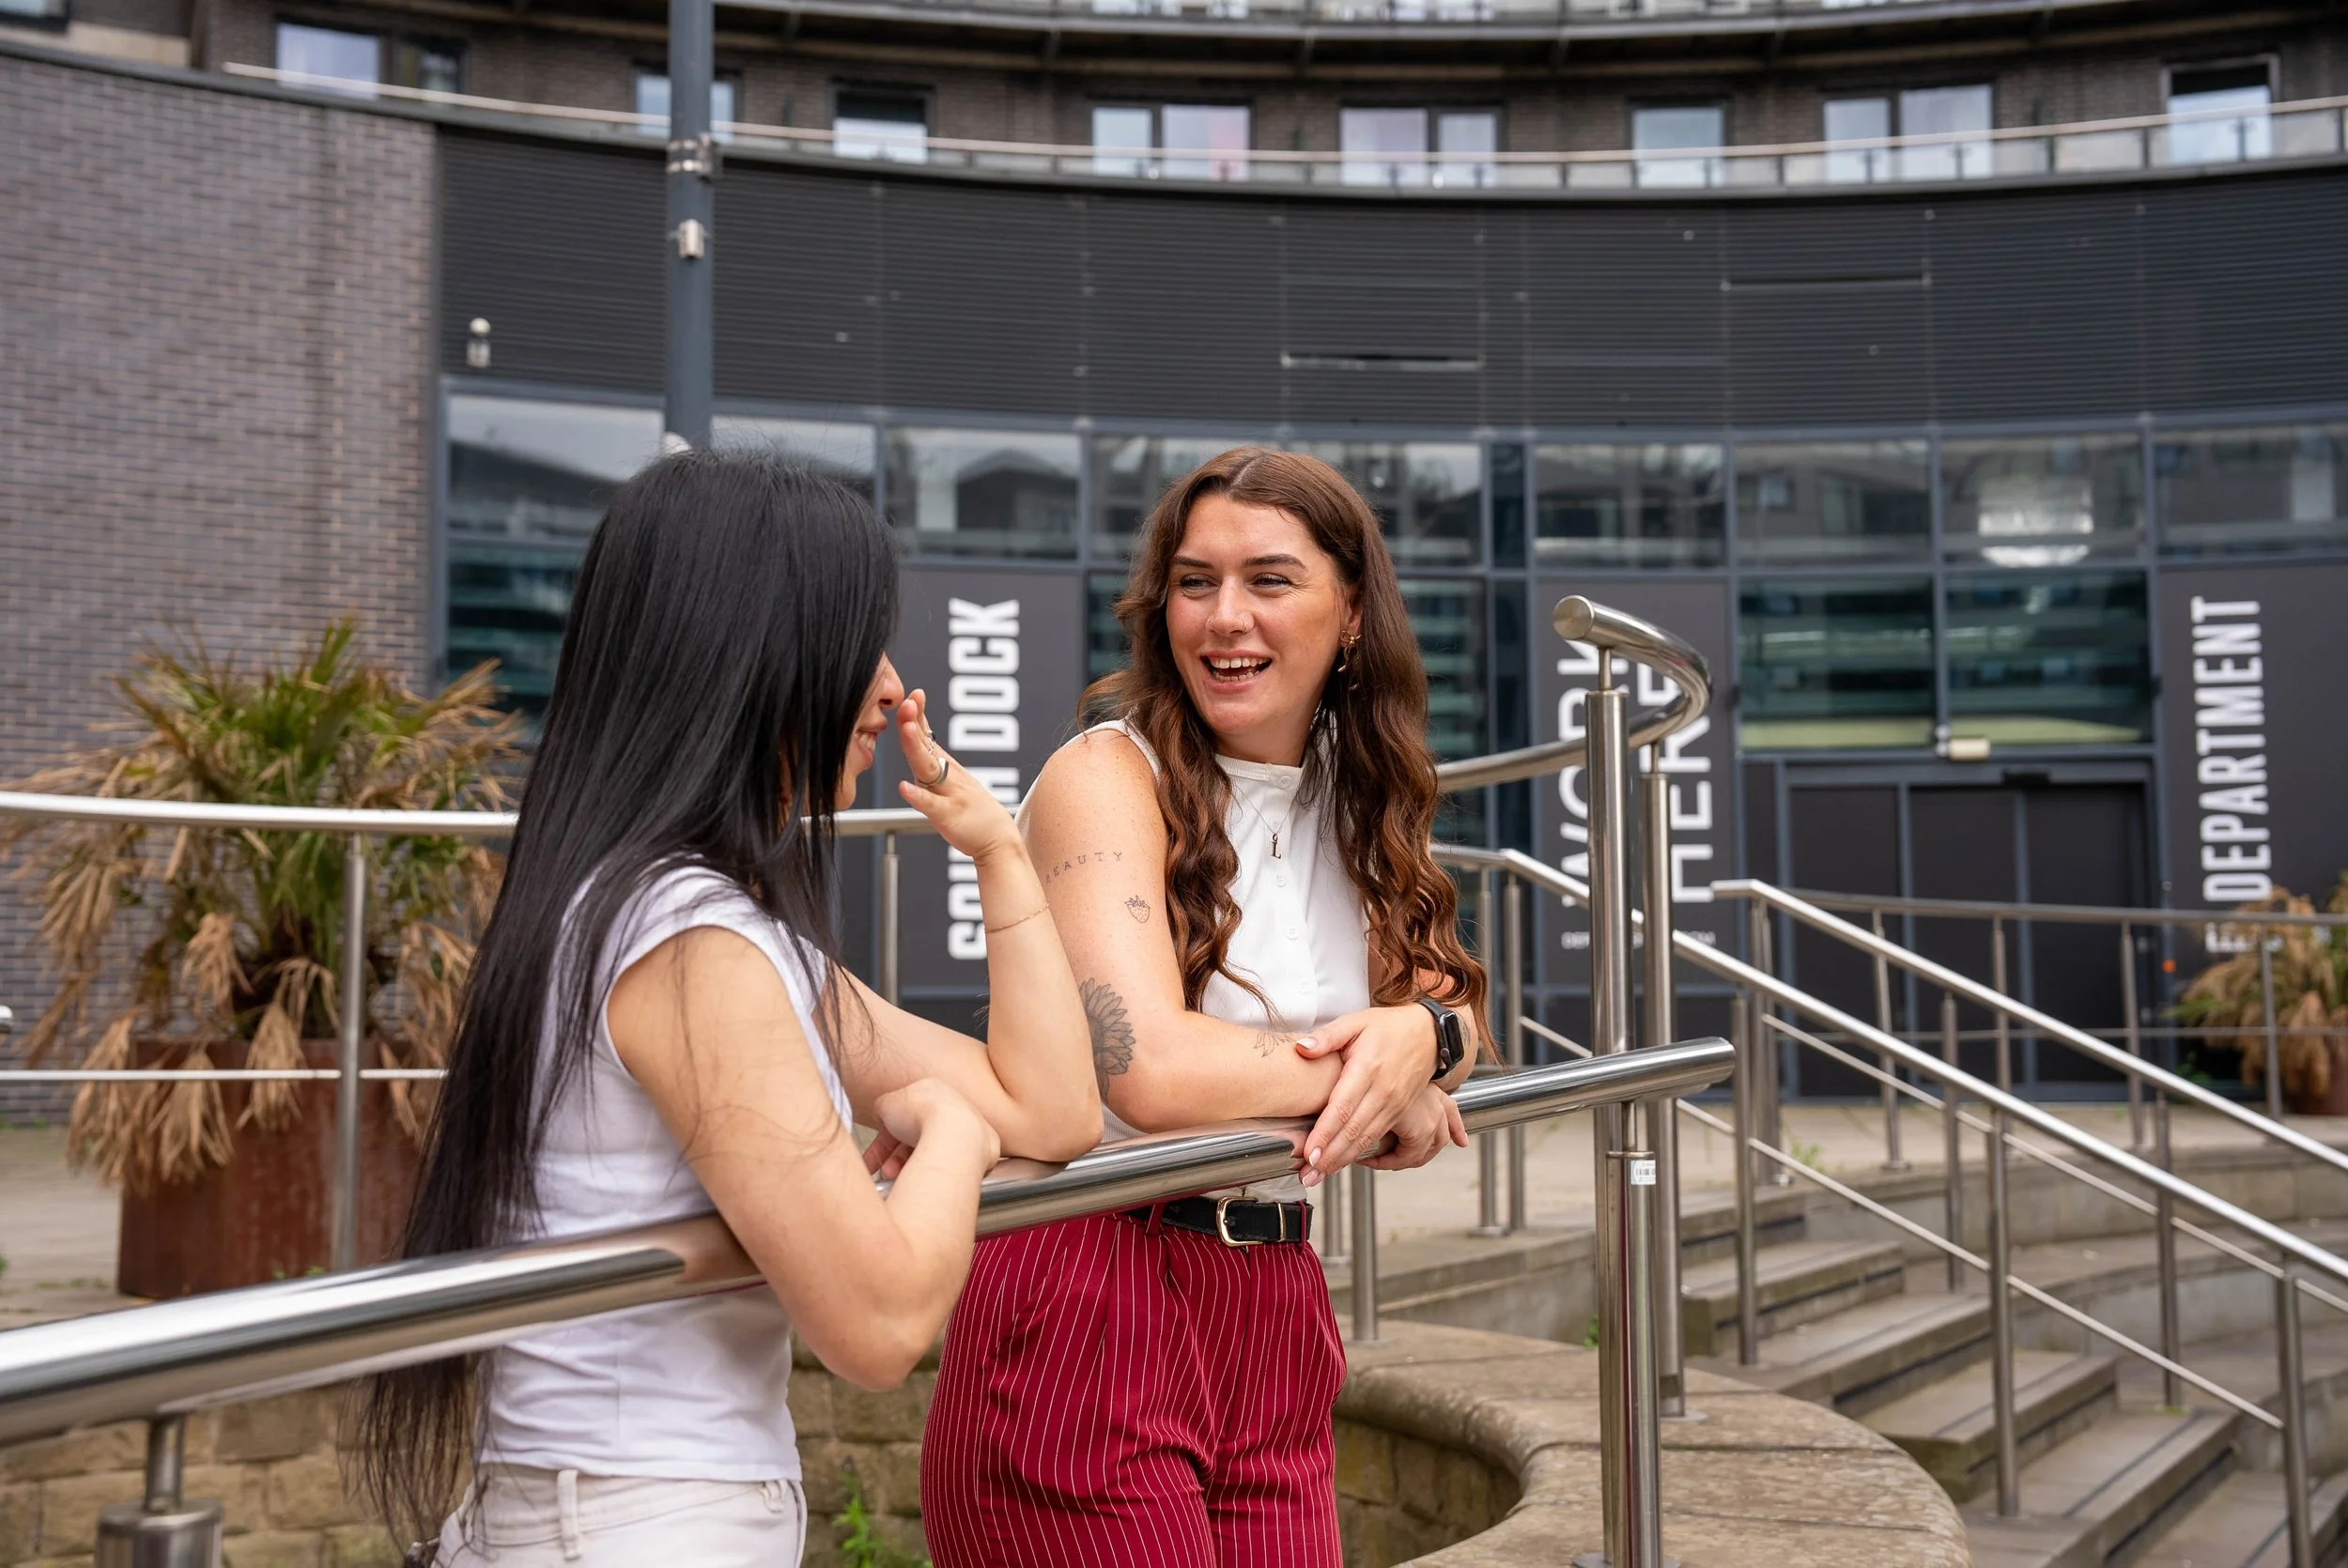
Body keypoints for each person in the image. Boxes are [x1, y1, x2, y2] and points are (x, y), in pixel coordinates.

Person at [358, 449, 1101, 1566]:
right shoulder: (694, 948)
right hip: (637, 1522)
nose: (895, 684)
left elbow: (1054, 1107)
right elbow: (881, 1320)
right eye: (863, 640)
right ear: (760, 655)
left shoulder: (670, 917)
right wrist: (952, 1132)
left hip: (607, 1513)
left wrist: (998, 850)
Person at [921, 447, 1488, 1568]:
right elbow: (1151, 1071)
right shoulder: (1105, 774)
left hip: (1274, 1296)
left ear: (1351, 615)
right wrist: (1384, 1077)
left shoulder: (1361, 790)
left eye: (1270, 580)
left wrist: (1426, 1040)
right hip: (1094, 1282)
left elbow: (1456, 1005)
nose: (1224, 616)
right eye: (1194, 581)